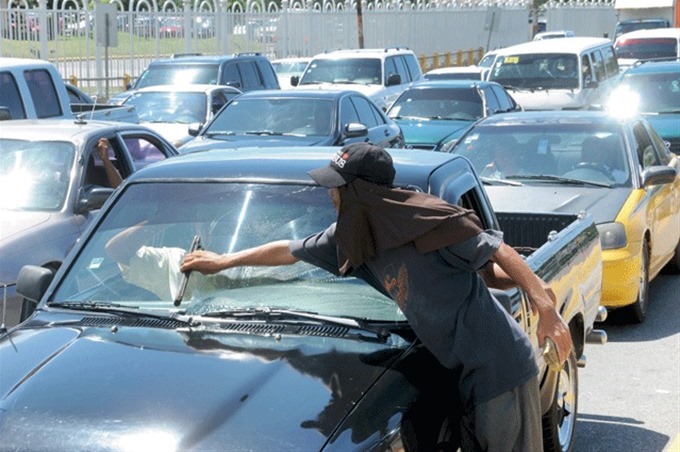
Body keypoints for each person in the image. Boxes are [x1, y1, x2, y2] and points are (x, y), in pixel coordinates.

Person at [181, 143, 573, 451]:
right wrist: (224, 261)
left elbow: (499, 252)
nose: (331, 197)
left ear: (362, 192)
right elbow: (288, 249)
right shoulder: (353, 238)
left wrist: (544, 306)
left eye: (337, 188)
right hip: (462, 373)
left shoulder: (426, 221)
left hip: (499, 369)